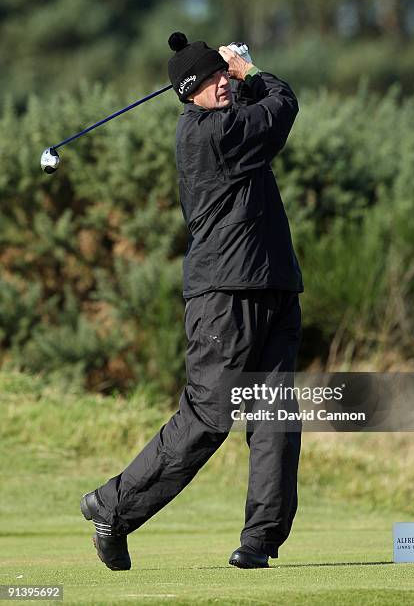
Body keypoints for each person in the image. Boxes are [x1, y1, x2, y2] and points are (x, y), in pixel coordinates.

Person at [80, 32, 304, 571]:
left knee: (276, 417)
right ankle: (114, 506)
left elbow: (258, 110)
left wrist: (239, 77)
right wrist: (250, 71)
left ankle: (260, 542)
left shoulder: (226, 120)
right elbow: (281, 107)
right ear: (188, 94)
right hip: (223, 296)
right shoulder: (205, 133)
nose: (220, 84)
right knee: (209, 416)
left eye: (221, 75)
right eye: (207, 82)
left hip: (272, 285)